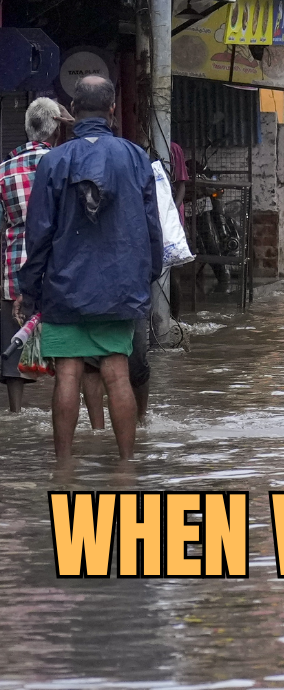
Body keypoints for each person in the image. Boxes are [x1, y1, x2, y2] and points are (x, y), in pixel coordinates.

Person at [18, 75, 163, 461]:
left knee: (67, 374)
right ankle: (126, 468)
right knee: (117, 373)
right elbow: (153, 228)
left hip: (64, 288)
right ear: (112, 109)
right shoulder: (136, 157)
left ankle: (63, 470)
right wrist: (146, 278)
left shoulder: (54, 162)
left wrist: (29, 291)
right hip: (119, 288)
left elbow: (39, 236)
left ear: (73, 112)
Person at [0, 98, 61, 413]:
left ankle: (15, 414)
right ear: (55, 128)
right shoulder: (63, 162)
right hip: (59, 268)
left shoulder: (4, 169)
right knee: (68, 348)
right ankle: (66, 413)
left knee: (13, 347)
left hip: (15, 268)